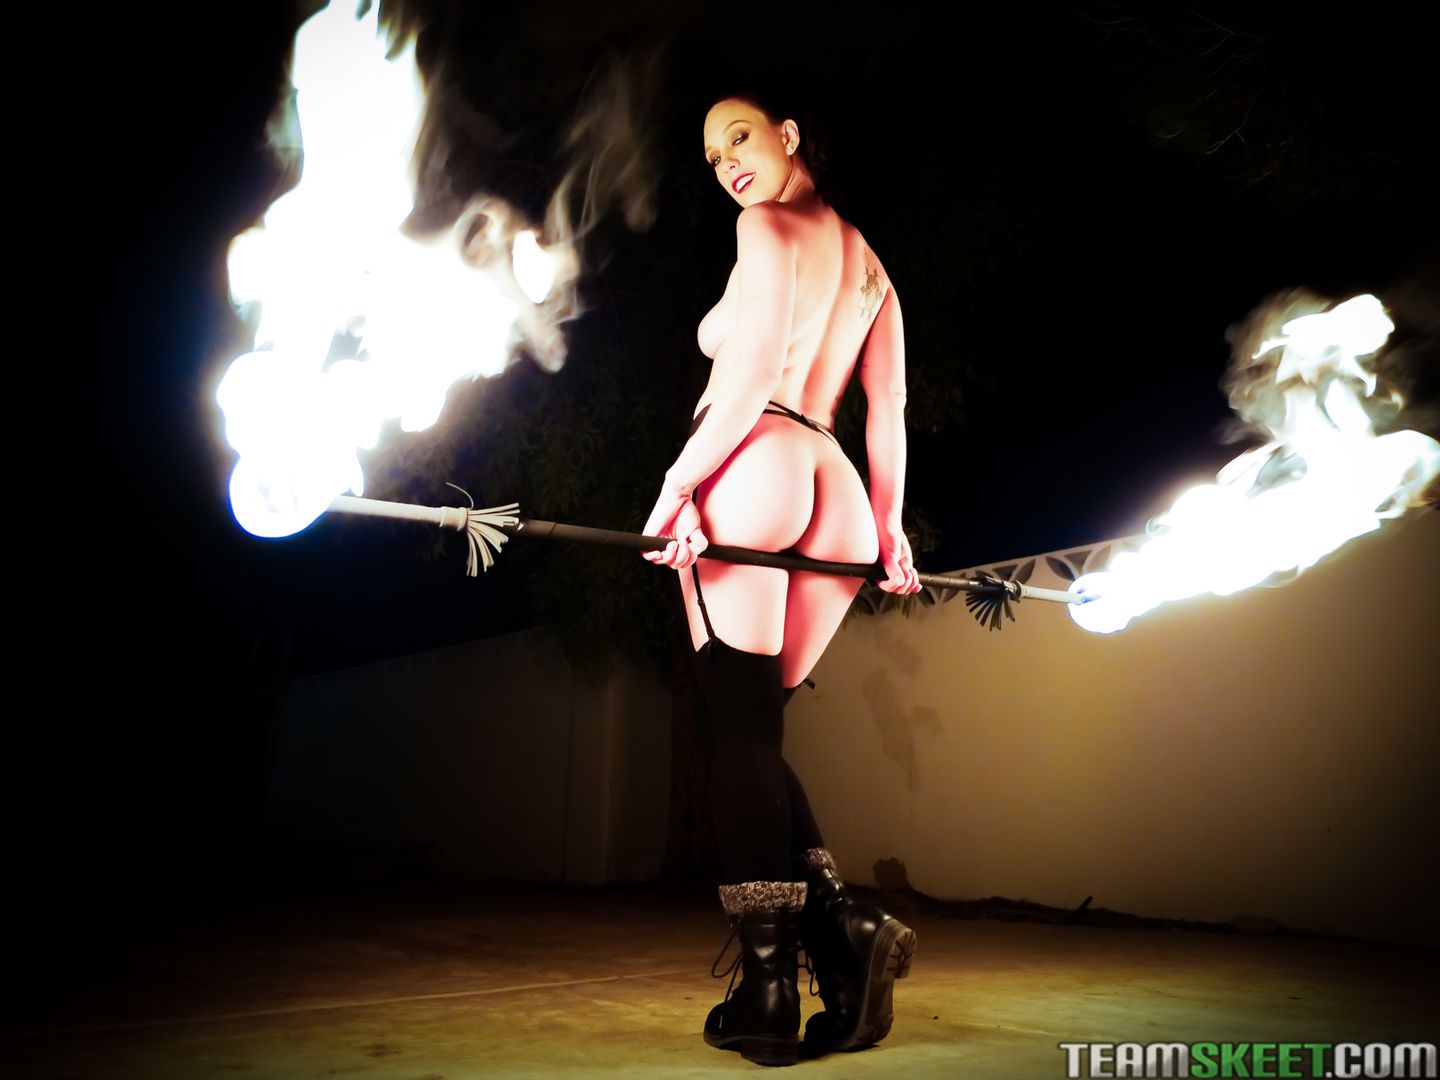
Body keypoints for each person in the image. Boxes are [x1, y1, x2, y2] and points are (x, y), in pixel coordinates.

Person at [640, 91, 923, 1066]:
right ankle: (842, 930)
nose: (728, 164)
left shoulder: (763, 228)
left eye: (741, 137)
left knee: (741, 736)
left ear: (789, 135)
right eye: (713, 155)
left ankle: (768, 990)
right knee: (753, 733)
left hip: (753, 462)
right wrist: (887, 525)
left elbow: (755, 364)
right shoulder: (873, 270)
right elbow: (887, 407)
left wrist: (680, 484)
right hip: (836, 490)